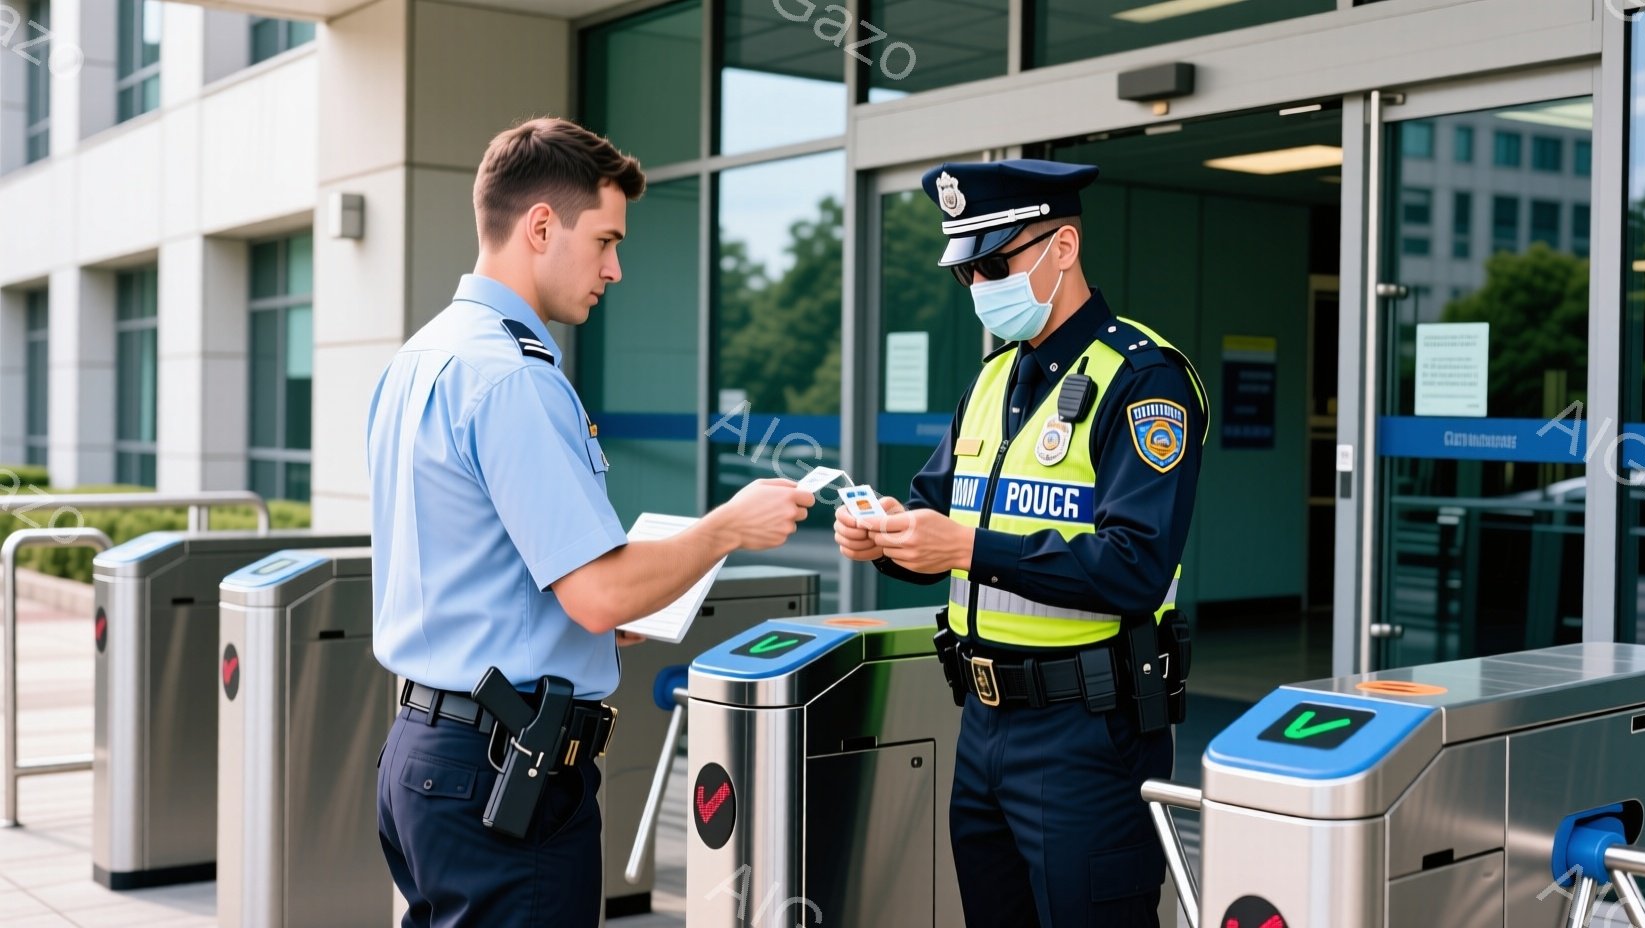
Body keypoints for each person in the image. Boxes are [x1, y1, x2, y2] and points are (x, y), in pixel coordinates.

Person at [366, 116, 813, 927]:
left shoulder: (422, 358)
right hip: (503, 773)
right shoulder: (513, 379)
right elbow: (599, 593)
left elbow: (478, 566)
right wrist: (726, 527)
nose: (615, 268)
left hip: (424, 756)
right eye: (605, 240)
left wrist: (588, 631)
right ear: (542, 227)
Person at [834, 158, 1209, 927]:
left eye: (995, 263)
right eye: (966, 271)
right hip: (983, 726)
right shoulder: (993, 379)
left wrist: (966, 547)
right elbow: (934, 516)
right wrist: (882, 538)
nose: (978, 287)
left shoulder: (1144, 381)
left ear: (1062, 247)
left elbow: (1134, 567)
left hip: (1090, 735)